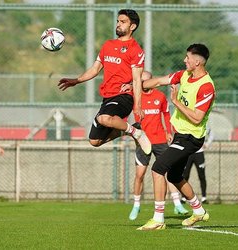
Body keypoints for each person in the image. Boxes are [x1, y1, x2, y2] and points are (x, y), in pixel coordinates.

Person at [137, 43, 215, 230]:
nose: (184, 60)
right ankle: (199, 211)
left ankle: (158, 220)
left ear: (197, 61)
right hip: (180, 135)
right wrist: (134, 86)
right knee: (174, 176)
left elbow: (197, 118)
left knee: (158, 168)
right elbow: (157, 82)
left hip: (191, 138)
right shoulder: (184, 75)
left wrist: (175, 102)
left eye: (187, 57)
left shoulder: (207, 86)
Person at [57, 9, 151, 154]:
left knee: (104, 118)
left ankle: (137, 133)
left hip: (124, 97)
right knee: (95, 141)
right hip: (107, 97)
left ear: (132, 27)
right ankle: (129, 130)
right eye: (118, 21)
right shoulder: (108, 45)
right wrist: (76, 80)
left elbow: (137, 79)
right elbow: (95, 69)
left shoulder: (135, 50)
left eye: (123, 22)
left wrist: (137, 105)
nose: (118, 24)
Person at [128, 71, 188, 221]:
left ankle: (177, 203)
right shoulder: (135, 97)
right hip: (144, 141)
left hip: (160, 140)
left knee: (168, 172)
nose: (144, 84)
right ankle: (136, 205)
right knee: (139, 175)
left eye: (147, 81)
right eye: (141, 81)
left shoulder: (160, 96)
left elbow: (166, 114)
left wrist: (169, 131)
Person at [182, 126, 213, 204]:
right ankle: (183, 197)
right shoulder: (187, 122)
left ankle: (204, 197)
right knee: (185, 175)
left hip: (199, 154)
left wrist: (207, 144)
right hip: (188, 154)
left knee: (202, 175)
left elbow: (211, 134)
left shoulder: (203, 124)